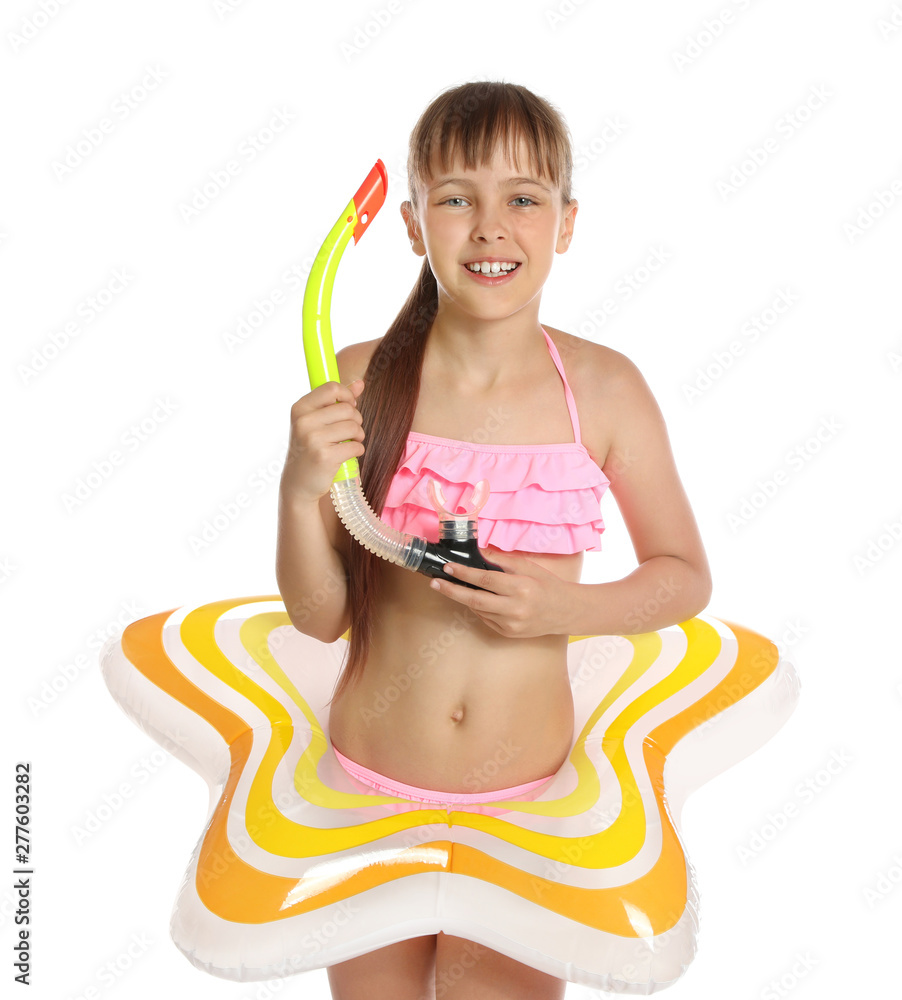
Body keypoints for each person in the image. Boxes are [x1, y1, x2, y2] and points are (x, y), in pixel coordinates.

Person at [276, 80, 712, 1000]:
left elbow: (684, 577)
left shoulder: (604, 390)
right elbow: (318, 618)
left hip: (523, 806)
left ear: (566, 222)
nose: (489, 226)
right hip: (370, 792)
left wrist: (570, 607)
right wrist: (298, 483)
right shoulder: (358, 379)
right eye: (455, 198)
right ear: (408, 221)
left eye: (523, 198)